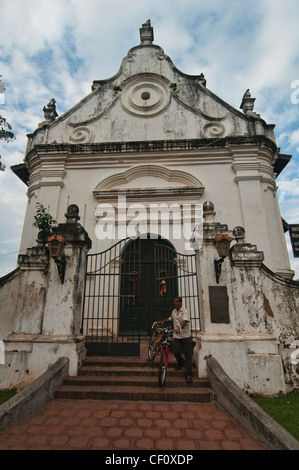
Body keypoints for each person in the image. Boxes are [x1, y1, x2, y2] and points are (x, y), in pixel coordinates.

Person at [159, 297, 193, 383]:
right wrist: (163, 321)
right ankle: (181, 362)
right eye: (174, 302)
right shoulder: (174, 311)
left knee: (188, 355)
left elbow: (185, 321)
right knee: (176, 351)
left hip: (186, 335)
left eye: (177, 302)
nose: (175, 303)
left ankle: (188, 373)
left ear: (181, 303)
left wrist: (180, 328)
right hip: (177, 336)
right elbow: (171, 318)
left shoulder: (184, 311)